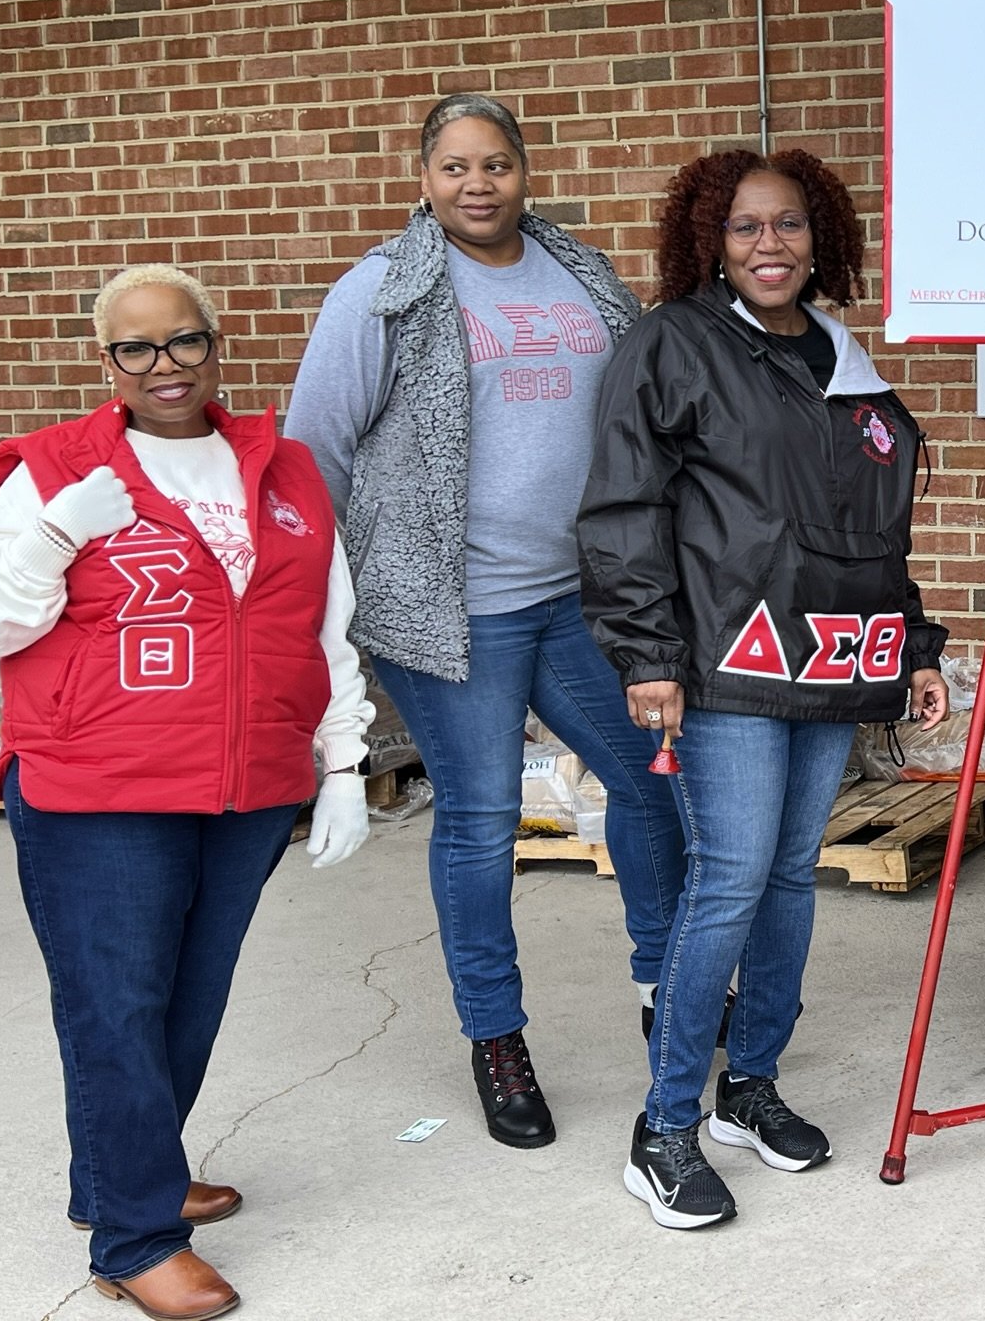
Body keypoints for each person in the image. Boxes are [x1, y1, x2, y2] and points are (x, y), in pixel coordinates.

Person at [0, 265, 372, 1321]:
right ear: (107, 363)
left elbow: (324, 623)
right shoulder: (54, 471)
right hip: (100, 786)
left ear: (215, 345)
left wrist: (345, 762)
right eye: (137, 348)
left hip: (246, 784)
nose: (163, 365)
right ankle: (134, 1236)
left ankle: (124, 1175)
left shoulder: (284, 469)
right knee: (116, 1007)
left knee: (187, 998)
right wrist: (54, 530)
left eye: (183, 341)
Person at [284, 93, 686, 1150]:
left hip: (580, 595)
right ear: (424, 176)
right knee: (479, 820)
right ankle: (495, 1039)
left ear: (523, 170)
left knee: (649, 785)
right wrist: (310, 611)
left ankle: (668, 995)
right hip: (447, 603)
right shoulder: (379, 291)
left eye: (496, 164)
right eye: (455, 166)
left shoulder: (584, 273)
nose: (477, 185)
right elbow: (315, 448)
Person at [580, 148, 949, 1229]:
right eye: (745, 228)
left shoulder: (846, 360)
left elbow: (878, 530)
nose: (769, 245)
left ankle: (750, 1086)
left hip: (833, 657)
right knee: (730, 880)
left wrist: (914, 645)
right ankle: (662, 1130)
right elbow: (621, 509)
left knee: (790, 877)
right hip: (726, 660)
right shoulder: (673, 345)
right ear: (711, 239)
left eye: (787, 225)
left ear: (818, 235)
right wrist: (646, 656)